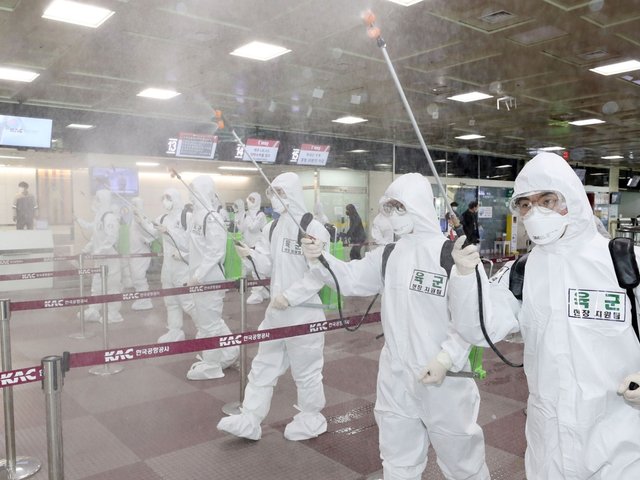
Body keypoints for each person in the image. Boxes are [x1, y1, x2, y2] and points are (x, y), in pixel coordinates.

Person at [448, 152, 640, 479]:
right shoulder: (522, 271)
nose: (535, 212)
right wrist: (466, 278)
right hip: (548, 438)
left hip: (620, 435)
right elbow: (479, 328)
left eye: (547, 201)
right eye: (526, 204)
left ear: (572, 200)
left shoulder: (624, 262)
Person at [301, 173, 489, 480]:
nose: (393, 214)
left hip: (444, 378)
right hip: (396, 376)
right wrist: (320, 258)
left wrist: (447, 357)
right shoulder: (389, 254)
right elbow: (350, 278)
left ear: (418, 205)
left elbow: (472, 316)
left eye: (400, 206)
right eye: (388, 207)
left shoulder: (452, 255)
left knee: (462, 462)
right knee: (397, 459)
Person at [217, 172, 331, 441]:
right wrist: (251, 255)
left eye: (279, 192)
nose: (274, 198)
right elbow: (268, 265)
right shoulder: (272, 227)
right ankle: (250, 418)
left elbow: (320, 274)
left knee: (307, 370)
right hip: (276, 312)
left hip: (304, 313)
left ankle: (311, 418)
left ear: (292, 193)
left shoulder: (314, 228)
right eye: (271, 193)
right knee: (263, 364)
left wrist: (290, 296)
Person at [184, 175, 239, 380]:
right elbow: (194, 248)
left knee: (210, 324)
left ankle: (212, 365)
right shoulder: (195, 217)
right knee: (209, 321)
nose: (191, 194)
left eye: (194, 190)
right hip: (199, 278)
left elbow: (215, 252)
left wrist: (198, 275)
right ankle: (228, 352)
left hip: (210, 279)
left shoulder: (212, 218)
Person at [75, 189, 123, 323]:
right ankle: (94, 310)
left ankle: (114, 314)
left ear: (103, 201)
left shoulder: (110, 217)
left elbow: (112, 237)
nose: (94, 201)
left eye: (97, 199)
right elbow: (95, 239)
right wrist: (85, 250)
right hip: (100, 259)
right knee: (97, 285)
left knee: (112, 287)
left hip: (110, 259)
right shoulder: (99, 217)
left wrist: (99, 252)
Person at [155, 188, 195, 343]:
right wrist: (140, 219)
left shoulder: (187, 217)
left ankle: (207, 329)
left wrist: (169, 232)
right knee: (170, 302)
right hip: (167, 268)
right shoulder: (163, 218)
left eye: (168, 198)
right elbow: (150, 230)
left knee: (188, 303)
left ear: (176, 199)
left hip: (182, 267)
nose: (165, 202)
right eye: (163, 198)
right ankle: (174, 331)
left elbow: (189, 243)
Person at [241, 192, 269, 305]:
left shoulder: (260, 214)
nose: (250, 202)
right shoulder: (246, 214)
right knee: (251, 268)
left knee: (257, 270)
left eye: (253, 200)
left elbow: (253, 228)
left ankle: (258, 293)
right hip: (248, 244)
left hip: (258, 246)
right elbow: (242, 229)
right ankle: (264, 291)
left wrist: (247, 218)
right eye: (249, 199)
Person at [127, 197, 154, 310]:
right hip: (134, 254)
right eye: (132, 205)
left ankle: (145, 301)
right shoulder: (133, 219)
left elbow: (151, 235)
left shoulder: (143, 219)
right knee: (136, 278)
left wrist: (142, 223)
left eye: (135, 205)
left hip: (141, 254)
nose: (133, 208)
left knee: (139, 278)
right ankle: (142, 298)